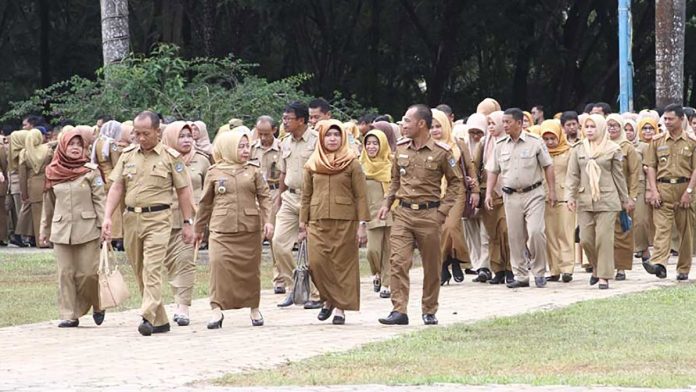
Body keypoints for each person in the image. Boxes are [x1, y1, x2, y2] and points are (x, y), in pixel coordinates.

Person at [101, 111, 195, 336]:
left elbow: (183, 191)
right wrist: (107, 217)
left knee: (152, 268)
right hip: (132, 219)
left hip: (159, 219)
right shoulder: (127, 155)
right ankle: (160, 320)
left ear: (158, 132)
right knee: (139, 269)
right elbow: (117, 187)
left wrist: (187, 222)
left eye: (146, 133)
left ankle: (146, 315)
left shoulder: (171, 157)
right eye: (137, 133)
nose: (140, 138)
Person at [377, 104, 463, 326]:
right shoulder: (402, 149)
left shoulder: (442, 152)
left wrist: (442, 212)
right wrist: (388, 203)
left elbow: (456, 183)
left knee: (432, 265)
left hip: (429, 215)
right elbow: (395, 179)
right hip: (403, 213)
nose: (403, 125)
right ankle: (399, 310)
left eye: (407, 121)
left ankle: (429, 308)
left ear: (421, 124)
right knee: (397, 261)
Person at [195, 129, 273, 328]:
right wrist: (198, 228)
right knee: (218, 265)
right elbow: (205, 203)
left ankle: (254, 309)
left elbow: (264, 197)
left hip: (249, 229)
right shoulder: (214, 172)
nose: (245, 150)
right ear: (228, 148)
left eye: (247, 146)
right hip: (221, 229)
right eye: (240, 146)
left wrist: (268, 221)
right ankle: (216, 310)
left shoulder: (253, 171)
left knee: (250, 271)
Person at [298, 120, 369, 324]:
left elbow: (361, 195)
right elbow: (306, 195)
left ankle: (339, 307)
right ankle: (327, 298)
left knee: (342, 265)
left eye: (336, 135)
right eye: (328, 135)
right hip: (317, 220)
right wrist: (303, 223)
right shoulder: (312, 164)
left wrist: (362, 224)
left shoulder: (352, 162)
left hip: (345, 221)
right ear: (321, 137)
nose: (332, 139)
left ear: (343, 138)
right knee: (317, 264)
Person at [39, 129, 106, 327]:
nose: (75, 148)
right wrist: (43, 230)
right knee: (65, 273)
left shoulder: (91, 171)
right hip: (61, 230)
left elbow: (100, 200)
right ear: (62, 146)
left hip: (88, 228)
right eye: (71, 144)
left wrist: (105, 227)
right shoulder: (52, 171)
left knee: (88, 274)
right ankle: (69, 314)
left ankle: (97, 303)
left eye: (79, 145)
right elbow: (48, 204)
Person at [485, 108, 556, 288]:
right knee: (515, 236)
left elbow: (548, 166)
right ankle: (521, 275)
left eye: (508, 122)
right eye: (504, 122)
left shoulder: (535, 142)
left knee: (535, 232)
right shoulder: (500, 144)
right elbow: (493, 170)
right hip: (511, 195)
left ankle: (539, 271)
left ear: (519, 122)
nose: (505, 125)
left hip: (534, 193)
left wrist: (552, 191)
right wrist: (488, 193)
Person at [566, 114, 630, 289]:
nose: (589, 130)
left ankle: (604, 276)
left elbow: (619, 176)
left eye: (593, 127)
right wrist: (570, 197)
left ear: (601, 128)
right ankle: (595, 266)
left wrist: (625, 199)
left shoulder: (612, 149)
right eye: (586, 127)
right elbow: (572, 175)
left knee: (604, 238)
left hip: (607, 199)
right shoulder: (578, 149)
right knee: (585, 239)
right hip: (585, 199)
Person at [160, 121, 210, 326]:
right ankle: (171, 300)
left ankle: (183, 307)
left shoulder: (203, 160)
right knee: (169, 263)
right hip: (163, 218)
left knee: (186, 262)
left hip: (191, 219)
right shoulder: (161, 159)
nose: (187, 140)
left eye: (189, 136)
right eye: (181, 136)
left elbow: (209, 192)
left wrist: (205, 220)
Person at [273, 102, 322, 309]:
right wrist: (279, 196)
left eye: (288, 119)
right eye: (283, 118)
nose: (284, 122)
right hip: (290, 198)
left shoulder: (317, 140)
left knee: (313, 248)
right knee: (278, 242)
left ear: (301, 120)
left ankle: (316, 293)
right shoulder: (285, 142)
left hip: (312, 198)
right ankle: (295, 288)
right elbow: (283, 173)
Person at [643, 104, 696, 280]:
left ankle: (683, 268)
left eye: (670, 118)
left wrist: (689, 191)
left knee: (685, 232)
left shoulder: (691, 142)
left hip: (684, 187)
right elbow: (651, 166)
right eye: (665, 118)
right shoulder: (657, 141)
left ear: (682, 120)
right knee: (661, 229)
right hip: (663, 187)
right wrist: (653, 190)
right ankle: (659, 264)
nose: (667, 122)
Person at [430, 109, 478, 284]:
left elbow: (470, 168)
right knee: (438, 230)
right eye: (431, 127)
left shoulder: (458, 144)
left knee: (451, 227)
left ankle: (454, 259)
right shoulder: (426, 146)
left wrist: (475, 191)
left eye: (438, 126)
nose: (435, 130)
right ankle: (447, 263)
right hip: (433, 192)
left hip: (456, 190)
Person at [475, 111, 512, 284]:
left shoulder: (510, 141)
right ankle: (498, 269)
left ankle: (511, 268)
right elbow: (476, 167)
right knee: (492, 234)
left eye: (493, 123)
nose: (490, 127)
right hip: (488, 193)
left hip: (508, 192)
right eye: (488, 124)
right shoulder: (484, 143)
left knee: (506, 230)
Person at [250, 115, 284, 293]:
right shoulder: (250, 149)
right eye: (259, 133)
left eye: (266, 134)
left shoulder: (282, 149)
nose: (262, 138)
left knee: (275, 237)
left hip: (274, 192)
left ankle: (279, 278)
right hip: (254, 194)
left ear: (274, 130)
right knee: (253, 237)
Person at [539, 119, 575, 283]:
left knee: (566, 233)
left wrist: (572, 195)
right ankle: (554, 269)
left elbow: (574, 175)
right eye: (546, 139)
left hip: (565, 197)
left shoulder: (569, 151)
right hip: (545, 198)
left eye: (552, 138)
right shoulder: (539, 152)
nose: (550, 142)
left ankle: (567, 268)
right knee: (550, 235)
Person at [360, 129, 393, 298]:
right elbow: (357, 196)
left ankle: (387, 284)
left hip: (391, 212)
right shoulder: (360, 167)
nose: (372, 147)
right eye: (368, 143)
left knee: (389, 250)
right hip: (371, 214)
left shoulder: (391, 165)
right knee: (372, 251)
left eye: (375, 143)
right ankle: (376, 274)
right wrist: (360, 222)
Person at [606, 114, 640, 280]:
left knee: (623, 232)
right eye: (609, 125)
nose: (612, 128)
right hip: (605, 196)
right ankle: (606, 266)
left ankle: (621, 267)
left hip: (623, 196)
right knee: (605, 232)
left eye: (615, 125)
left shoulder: (627, 147)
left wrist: (632, 197)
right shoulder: (601, 145)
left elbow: (635, 173)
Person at [462, 113, 491, 282]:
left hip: (483, 193)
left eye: (479, 132)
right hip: (466, 197)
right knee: (471, 233)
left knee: (485, 233)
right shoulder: (462, 146)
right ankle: (477, 264)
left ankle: (485, 266)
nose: (475, 136)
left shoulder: (488, 146)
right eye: (472, 132)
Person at [91, 120, 128, 251]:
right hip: (112, 177)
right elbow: (117, 163)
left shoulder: (98, 141)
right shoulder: (111, 144)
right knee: (116, 211)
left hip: (102, 177)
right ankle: (117, 236)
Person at [18, 128, 54, 247]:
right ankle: (49, 239)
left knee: (37, 214)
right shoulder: (48, 150)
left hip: (32, 186)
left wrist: (24, 193)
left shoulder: (24, 153)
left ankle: (40, 241)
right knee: (49, 212)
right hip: (47, 183)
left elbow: (22, 176)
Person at [629, 117, 653, 262]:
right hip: (622, 186)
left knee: (641, 220)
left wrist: (650, 189)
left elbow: (650, 167)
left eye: (631, 129)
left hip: (640, 184)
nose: (628, 132)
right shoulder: (615, 146)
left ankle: (643, 247)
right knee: (625, 221)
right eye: (625, 130)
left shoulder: (643, 146)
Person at [7, 130, 30, 247]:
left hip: (13, 185)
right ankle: (21, 236)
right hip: (20, 185)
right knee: (22, 212)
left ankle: (17, 235)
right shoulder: (23, 152)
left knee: (17, 213)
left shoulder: (11, 151)